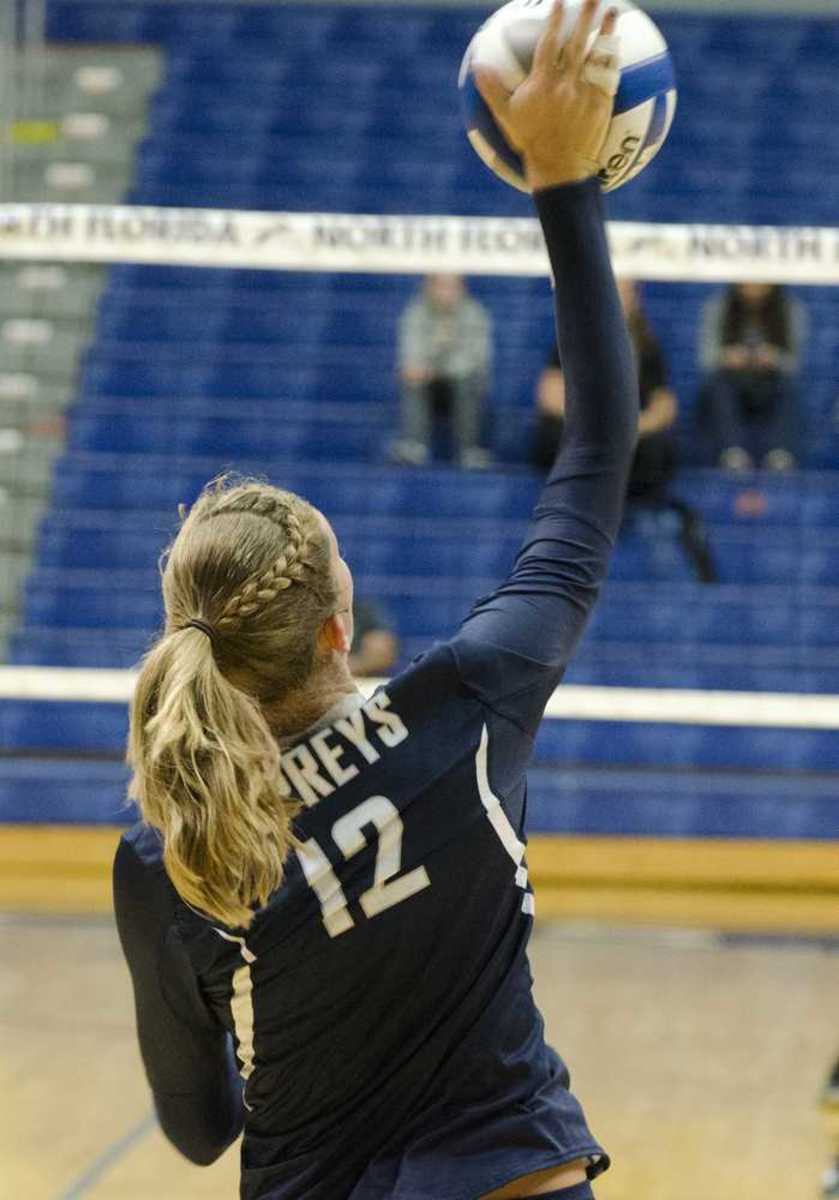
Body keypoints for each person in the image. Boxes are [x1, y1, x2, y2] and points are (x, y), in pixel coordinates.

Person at [113, 5, 635, 1198]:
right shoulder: (465, 708)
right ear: (339, 627)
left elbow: (200, 1131)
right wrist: (564, 183)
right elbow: (594, 452)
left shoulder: (167, 856)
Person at [533, 279, 716, 582]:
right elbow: (549, 395)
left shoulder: (648, 347)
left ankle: (610, 506)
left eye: (624, 294)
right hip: (583, 433)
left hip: (630, 439)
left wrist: (629, 428)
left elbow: (665, 407)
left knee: (655, 451)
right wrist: (594, 424)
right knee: (552, 439)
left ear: (636, 300)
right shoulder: (572, 335)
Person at [699, 281, 807, 471]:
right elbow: (706, 361)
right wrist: (728, 357)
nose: (753, 285)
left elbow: (795, 364)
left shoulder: (790, 309)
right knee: (717, 384)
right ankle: (732, 453)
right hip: (731, 381)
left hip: (771, 382)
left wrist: (774, 358)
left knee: (788, 386)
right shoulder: (718, 307)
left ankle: (779, 453)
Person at [392, 272, 493, 469]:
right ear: (428, 288)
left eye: (451, 286)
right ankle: (414, 446)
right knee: (412, 381)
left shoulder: (475, 313)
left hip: (463, 380)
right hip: (428, 382)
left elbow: (477, 360)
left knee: (467, 382)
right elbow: (410, 356)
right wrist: (422, 368)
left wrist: (439, 369)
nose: (446, 292)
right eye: (440, 286)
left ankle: (468, 450)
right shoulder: (414, 313)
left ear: (462, 288)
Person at [348, 597, 399, 677]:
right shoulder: (323, 615)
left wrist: (355, 665)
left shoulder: (364, 612)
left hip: (364, 683)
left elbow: (383, 653)